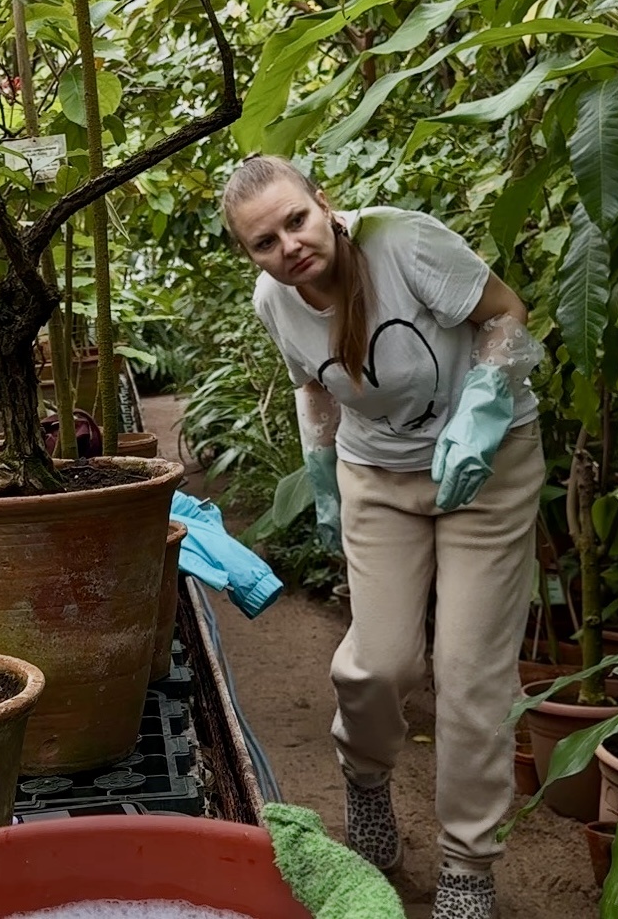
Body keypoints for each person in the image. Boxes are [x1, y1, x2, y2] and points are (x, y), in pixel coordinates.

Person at [221, 155, 545, 919]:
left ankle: (467, 864)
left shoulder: (404, 243)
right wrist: (321, 474)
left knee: (469, 674)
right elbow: (312, 385)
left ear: (322, 203)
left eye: (296, 220)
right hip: (376, 478)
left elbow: (506, 312)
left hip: (486, 469)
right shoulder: (274, 299)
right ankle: (365, 782)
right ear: (250, 255)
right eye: (264, 241)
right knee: (379, 663)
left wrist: (484, 401)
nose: (289, 246)